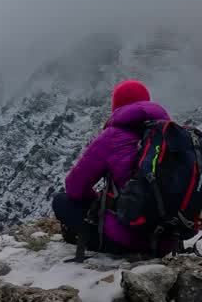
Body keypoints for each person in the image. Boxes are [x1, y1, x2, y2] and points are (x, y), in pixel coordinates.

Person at [51, 79, 178, 256]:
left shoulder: (112, 136)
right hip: (168, 241)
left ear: (117, 106)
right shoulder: (171, 136)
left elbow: (74, 187)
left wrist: (98, 200)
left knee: (61, 201)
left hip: (128, 241)